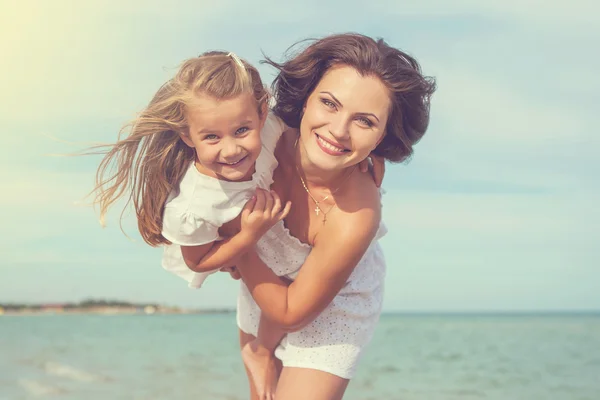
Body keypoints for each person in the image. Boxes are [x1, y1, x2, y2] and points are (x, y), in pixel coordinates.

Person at [228, 33, 436, 400]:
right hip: (268, 270)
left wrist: (237, 242)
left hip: (337, 299)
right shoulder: (260, 138)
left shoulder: (358, 213)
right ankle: (262, 349)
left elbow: (293, 312)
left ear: (382, 136)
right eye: (329, 103)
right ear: (307, 98)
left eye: (365, 122)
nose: (338, 131)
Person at [87, 51, 293, 398]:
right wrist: (248, 237)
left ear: (261, 113)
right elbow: (197, 261)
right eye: (211, 137)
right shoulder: (193, 205)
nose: (230, 150)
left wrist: (369, 161)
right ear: (187, 135)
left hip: (259, 224)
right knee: (277, 291)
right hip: (212, 245)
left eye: (242, 130)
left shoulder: (272, 125)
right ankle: (258, 350)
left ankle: (263, 350)